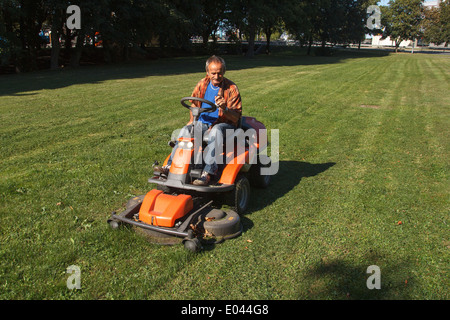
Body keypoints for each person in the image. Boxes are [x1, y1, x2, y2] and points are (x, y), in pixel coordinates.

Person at [154, 55, 242, 186]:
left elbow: (236, 117)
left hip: (224, 125)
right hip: (203, 122)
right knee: (185, 131)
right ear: (207, 72)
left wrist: (225, 108)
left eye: (219, 73)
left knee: (216, 132)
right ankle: (169, 167)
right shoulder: (202, 84)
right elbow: (194, 104)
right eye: (213, 73)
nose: (216, 77)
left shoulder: (231, 88)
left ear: (223, 71)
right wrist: (191, 121)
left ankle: (207, 172)